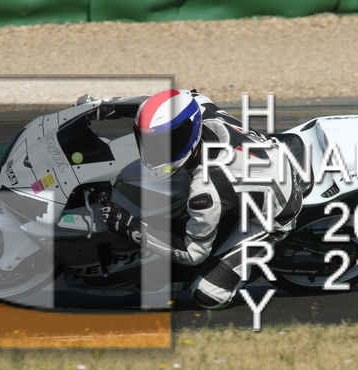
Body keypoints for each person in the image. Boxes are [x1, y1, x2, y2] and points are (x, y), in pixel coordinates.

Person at [76, 89, 303, 309]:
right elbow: (152, 104)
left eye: (168, 142)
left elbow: (193, 253)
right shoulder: (195, 104)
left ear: (190, 130)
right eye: (151, 142)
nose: (158, 151)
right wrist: (103, 107)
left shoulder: (206, 190)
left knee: (207, 295)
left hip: (275, 210)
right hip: (260, 161)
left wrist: (129, 226)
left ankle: (254, 261)